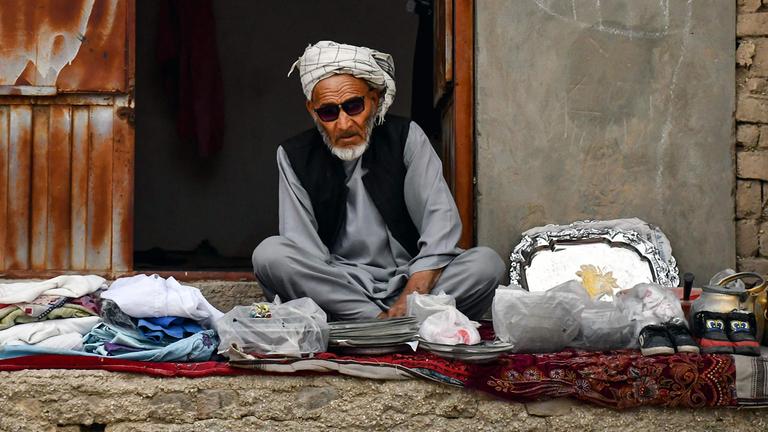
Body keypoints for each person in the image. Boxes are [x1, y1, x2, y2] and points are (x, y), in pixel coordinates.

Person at [252, 41, 504, 321]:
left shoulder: (406, 137)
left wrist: (413, 293)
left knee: (486, 263)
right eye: (329, 112)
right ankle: (380, 323)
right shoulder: (293, 155)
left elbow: (440, 225)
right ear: (313, 111)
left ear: (374, 99)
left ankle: (381, 326)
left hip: (411, 282)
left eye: (354, 106)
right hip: (342, 288)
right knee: (269, 254)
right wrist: (350, 299)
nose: (344, 123)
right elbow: (304, 251)